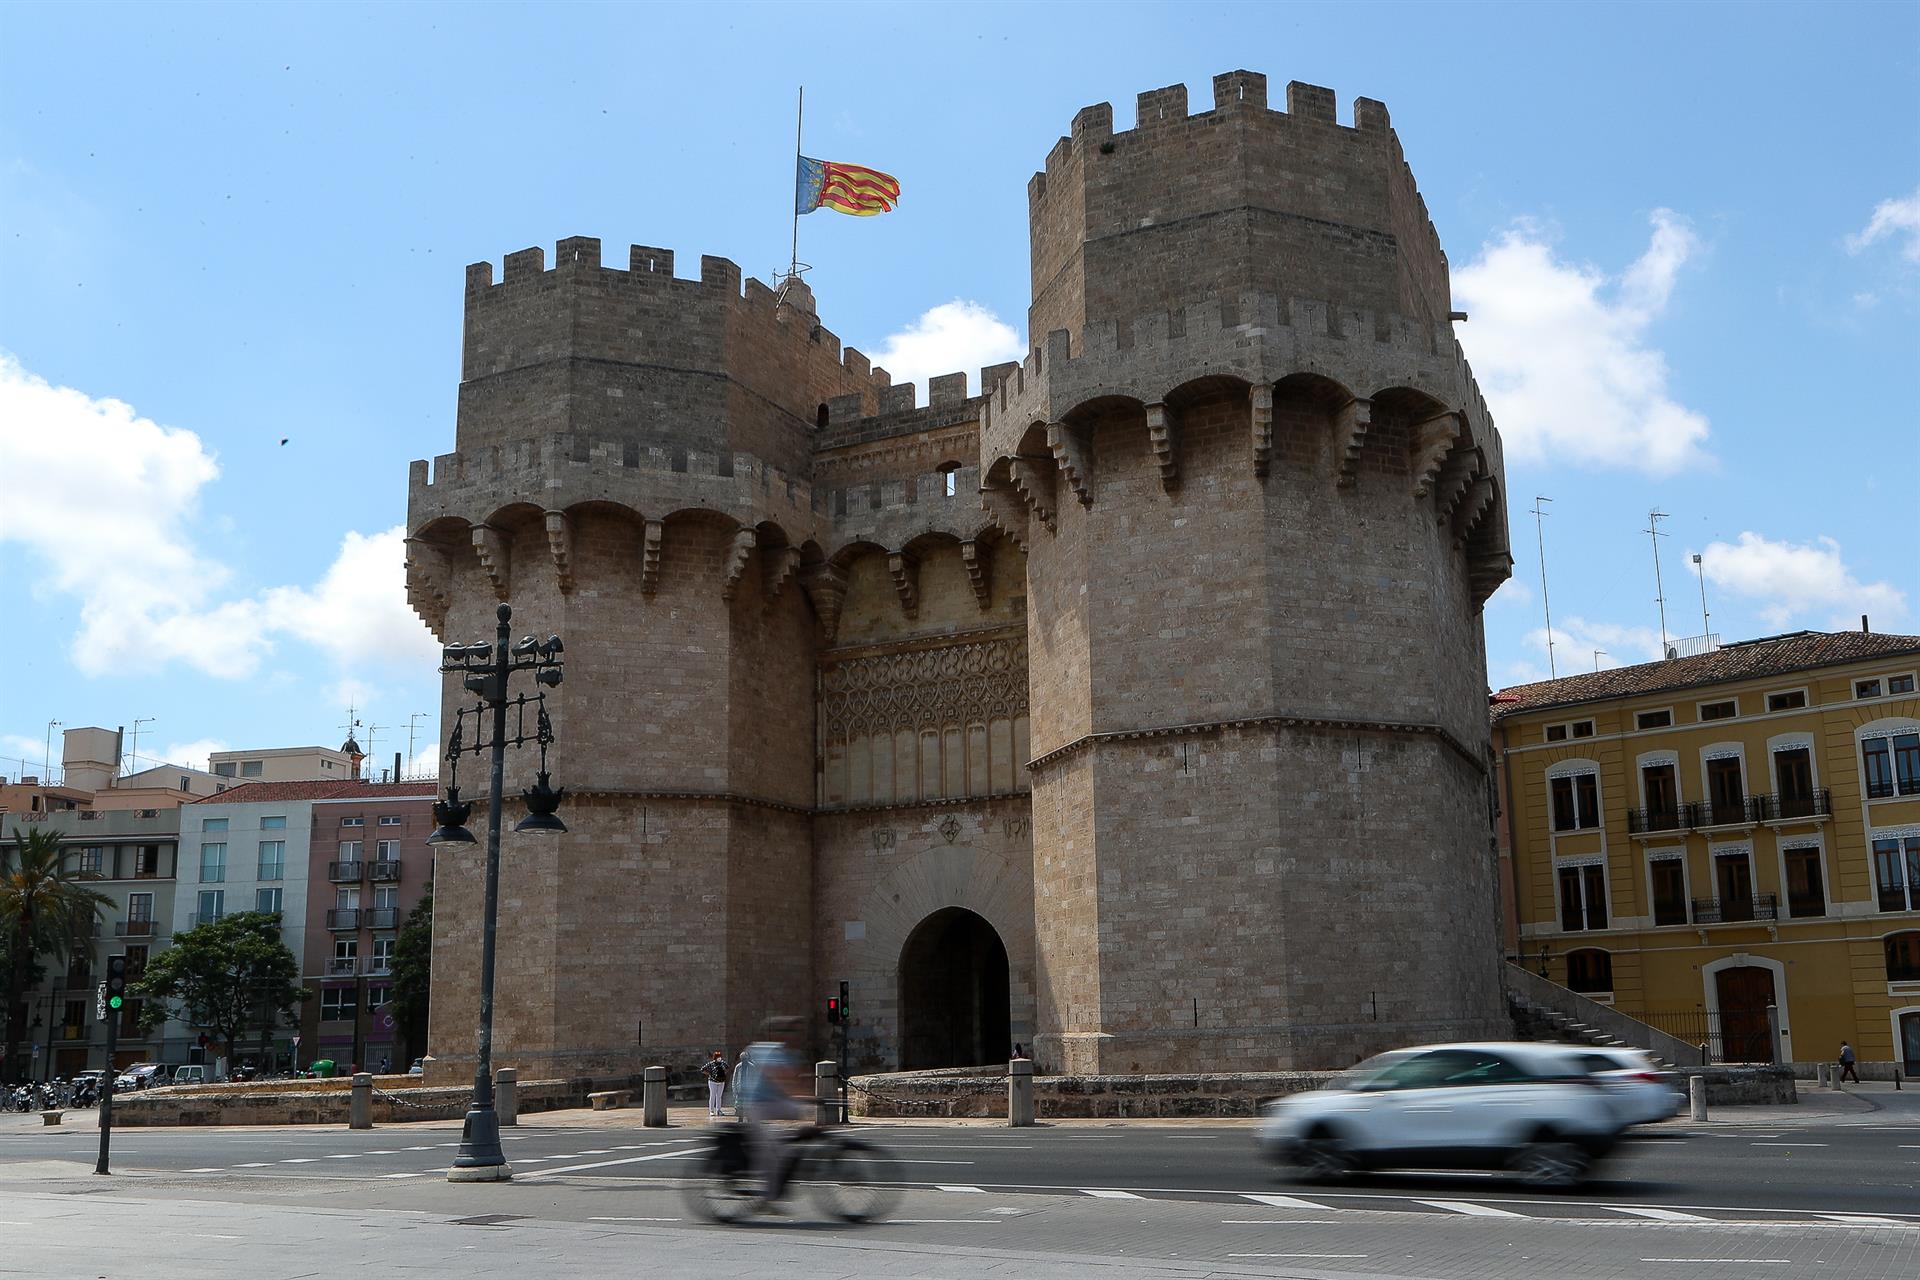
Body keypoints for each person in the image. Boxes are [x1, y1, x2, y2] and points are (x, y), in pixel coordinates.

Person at [739, 1017, 805, 1202]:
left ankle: (785, 1166)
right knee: (768, 1152)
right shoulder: (769, 1051)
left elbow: (796, 1082)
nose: (798, 1036)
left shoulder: (791, 1054)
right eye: (793, 1032)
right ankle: (767, 1197)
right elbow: (781, 1078)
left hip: (774, 1104)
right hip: (758, 1105)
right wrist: (804, 1097)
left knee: (797, 1122)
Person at [701, 1049, 729, 1117]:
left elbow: (727, 1068)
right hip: (712, 1082)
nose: (719, 1058)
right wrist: (709, 1074)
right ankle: (711, 1111)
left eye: (720, 1056)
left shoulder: (723, 1063)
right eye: (718, 1057)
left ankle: (718, 1110)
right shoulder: (711, 1064)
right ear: (715, 1057)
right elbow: (702, 1069)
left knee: (719, 1096)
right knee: (712, 1096)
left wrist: (724, 1073)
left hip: (721, 1082)